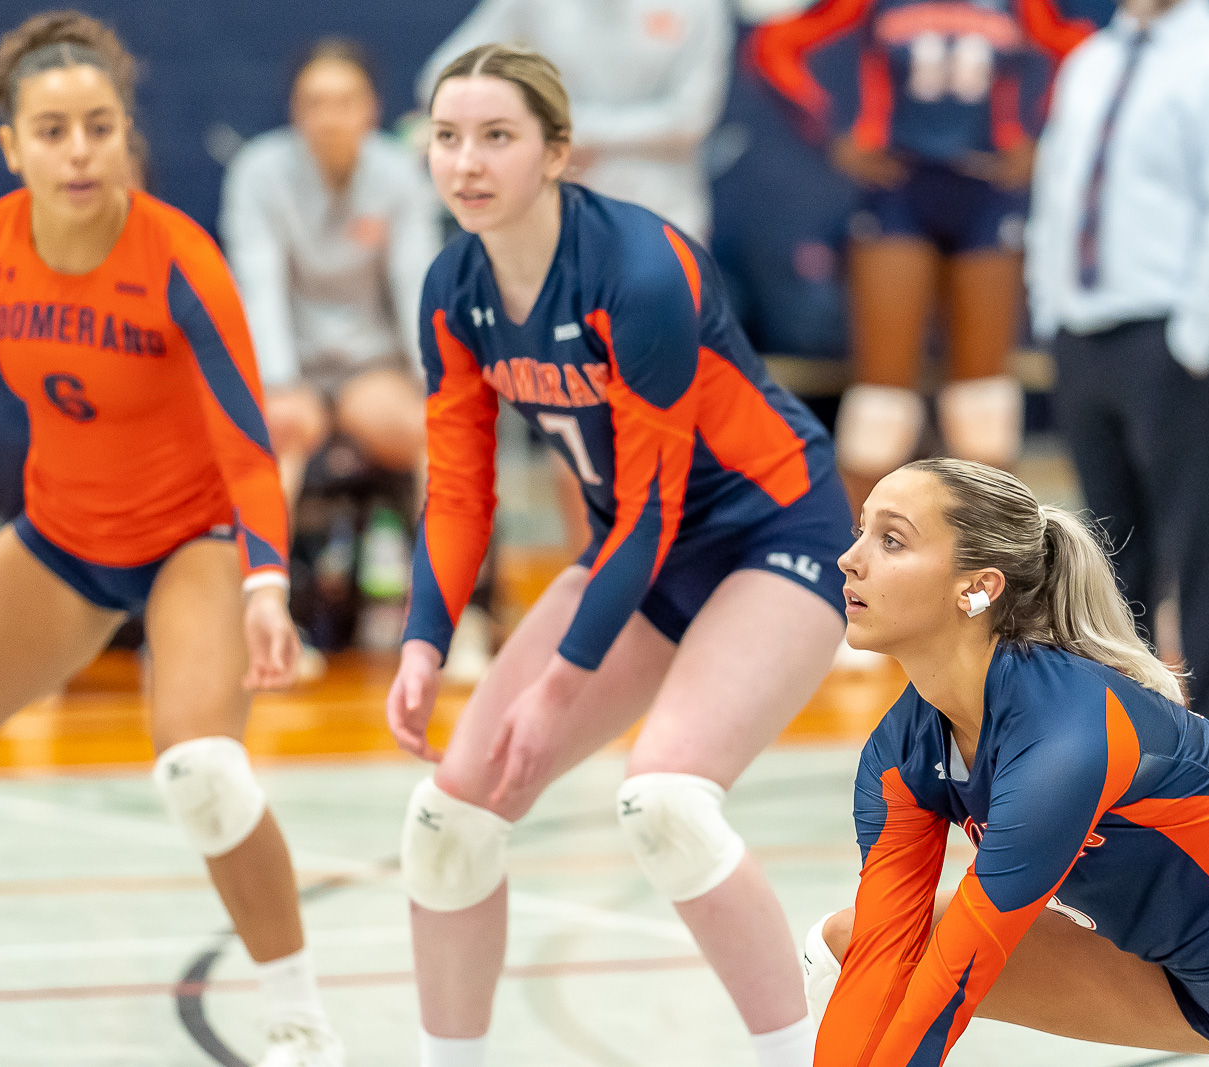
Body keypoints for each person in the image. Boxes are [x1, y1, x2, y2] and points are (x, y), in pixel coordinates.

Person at [386, 45, 852, 1067]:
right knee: (449, 818)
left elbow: (649, 504)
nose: (467, 161)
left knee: (666, 801)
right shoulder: (450, 286)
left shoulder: (638, 269)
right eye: (447, 137)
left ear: (557, 152)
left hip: (774, 535)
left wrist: (559, 686)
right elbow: (461, 489)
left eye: (497, 136)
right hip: (643, 552)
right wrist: (425, 638)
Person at [0, 14, 342, 1065]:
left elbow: (250, 444)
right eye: (52, 130)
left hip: (191, 539)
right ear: (12, 146)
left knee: (203, 767)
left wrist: (263, 584)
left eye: (98, 128)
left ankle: (298, 1015)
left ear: (124, 139)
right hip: (62, 537)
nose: (77, 151)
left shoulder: (178, 258)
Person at [802, 458, 1209, 1065]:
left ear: (978, 587)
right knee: (849, 949)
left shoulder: (1068, 736)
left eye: (891, 541)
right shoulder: (901, 752)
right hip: (1177, 980)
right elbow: (886, 958)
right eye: (861, 531)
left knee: (930, 986)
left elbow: (953, 984)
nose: (849, 559)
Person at [1024, 0, 1209, 732]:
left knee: (1192, 532)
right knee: (1104, 545)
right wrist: (1050, 306)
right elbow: (1058, 188)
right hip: (1084, 326)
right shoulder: (1093, 60)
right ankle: (1123, 719)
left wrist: (1195, 334)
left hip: (1169, 331)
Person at [753, 0, 1045, 516]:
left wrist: (1042, 135)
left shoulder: (1026, 5)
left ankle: (991, 581)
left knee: (985, 411)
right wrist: (830, 133)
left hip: (986, 191)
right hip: (900, 190)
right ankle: (848, 574)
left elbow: (1087, 50)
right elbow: (775, 46)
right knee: (881, 412)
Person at [221, 37, 441, 512]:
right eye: (314, 103)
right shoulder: (257, 172)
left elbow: (415, 280)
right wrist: (277, 384)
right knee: (274, 438)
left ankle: (443, 584)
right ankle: (259, 583)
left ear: (372, 109)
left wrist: (433, 378)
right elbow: (259, 286)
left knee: (440, 436)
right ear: (295, 112)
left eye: (345, 102)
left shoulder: (400, 173)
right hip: (292, 368)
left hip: (371, 368)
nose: (330, 118)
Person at [416, 0, 733, 241]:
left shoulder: (700, 6)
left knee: (658, 321)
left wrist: (569, 128)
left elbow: (692, 118)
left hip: (660, 210)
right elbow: (442, 77)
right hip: (551, 213)